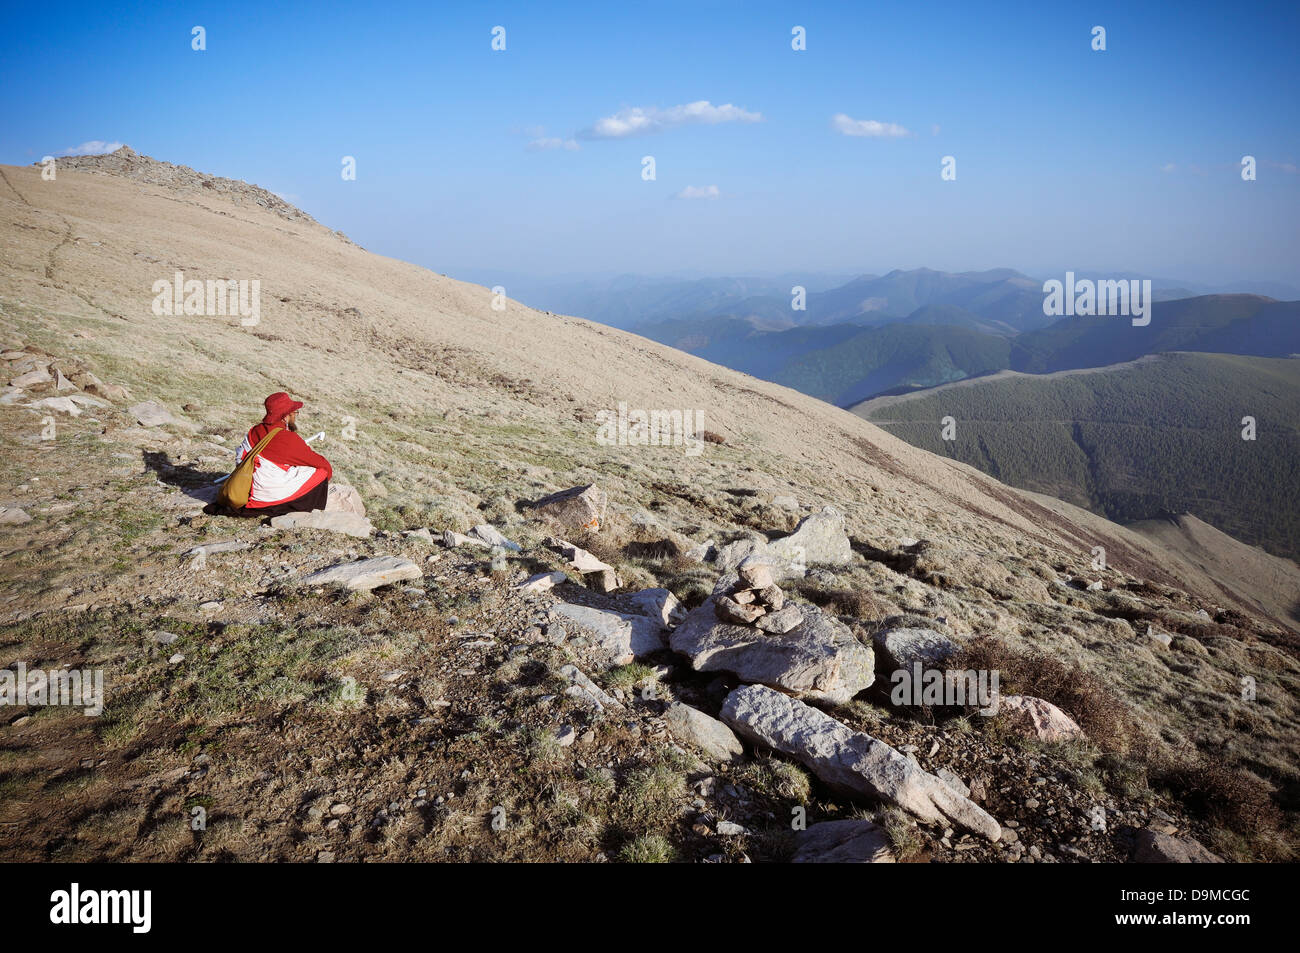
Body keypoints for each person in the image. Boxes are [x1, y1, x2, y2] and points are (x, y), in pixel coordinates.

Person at [231, 392, 363, 517]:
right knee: (321, 473)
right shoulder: (285, 438)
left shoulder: (255, 430)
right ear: (285, 416)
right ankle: (293, 506)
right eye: (294, 412)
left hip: (245, 484)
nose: (295, 415)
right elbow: (323, 466)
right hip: (263, 496)